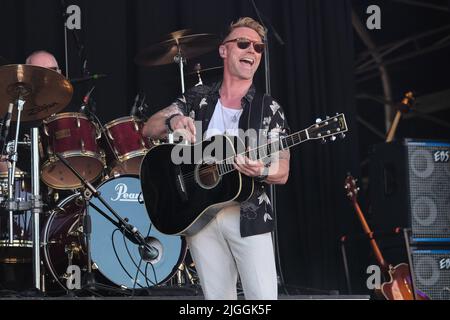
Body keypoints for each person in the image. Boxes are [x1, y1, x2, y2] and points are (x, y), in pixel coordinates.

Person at [142, 17, 290, 300]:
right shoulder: (199, 97)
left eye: (258, 48)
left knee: (262, 299)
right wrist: (174, 120)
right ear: (224, 51)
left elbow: (282, 170)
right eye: (244, 44)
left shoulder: (267, 109)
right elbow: (149, 127)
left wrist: (260, 170)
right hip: (200, 213)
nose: (252, 52)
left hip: (249, 217)